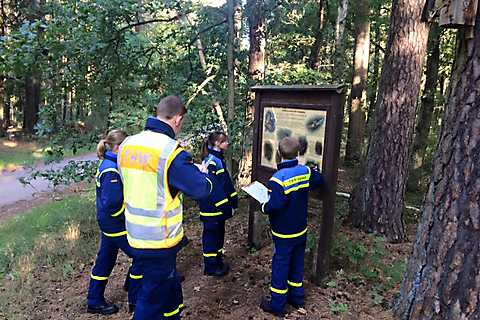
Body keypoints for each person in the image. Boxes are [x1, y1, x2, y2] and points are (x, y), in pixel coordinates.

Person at [117, 95, 214, 320]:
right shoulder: (170, 151)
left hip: (135, 233)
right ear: (178, 119)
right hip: (159, 239)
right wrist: (205, 175)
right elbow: (201, 189)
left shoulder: (128, 144)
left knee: (165, 287)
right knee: (151, 300)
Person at [259, 137, 325, 317]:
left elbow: (275, 205)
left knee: (280, 266)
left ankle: (277, 305)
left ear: (279, 154)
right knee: (297, 263)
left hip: (283, 233)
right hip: (300, 229)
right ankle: (297, 298)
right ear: (298, 153)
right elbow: (319, 180)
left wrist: (264, 205)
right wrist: (315, 171)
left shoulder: (277, 180)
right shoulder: (304, 171)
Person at [87, 129, 142, 315]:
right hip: (114, 224)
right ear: (118, 147)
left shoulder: (110, 162)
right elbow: (112, 204)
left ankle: (94, 300)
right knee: (141, 256)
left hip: (107, 223)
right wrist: (126, 216)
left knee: (105, 260)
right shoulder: (110, 170)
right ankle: (135, 300)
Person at [197, 131, 238, 277]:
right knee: (211, 235)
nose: (228, 143)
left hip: (218, 207)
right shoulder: (212, 161)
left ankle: (217, 259)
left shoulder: (217, 159)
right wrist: (226, 205)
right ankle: (211, 266)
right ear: (216, 144)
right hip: (211, 207)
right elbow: (216, 188)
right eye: (224, 141)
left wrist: (233, 200)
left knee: (219, 233)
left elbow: (225, 184)